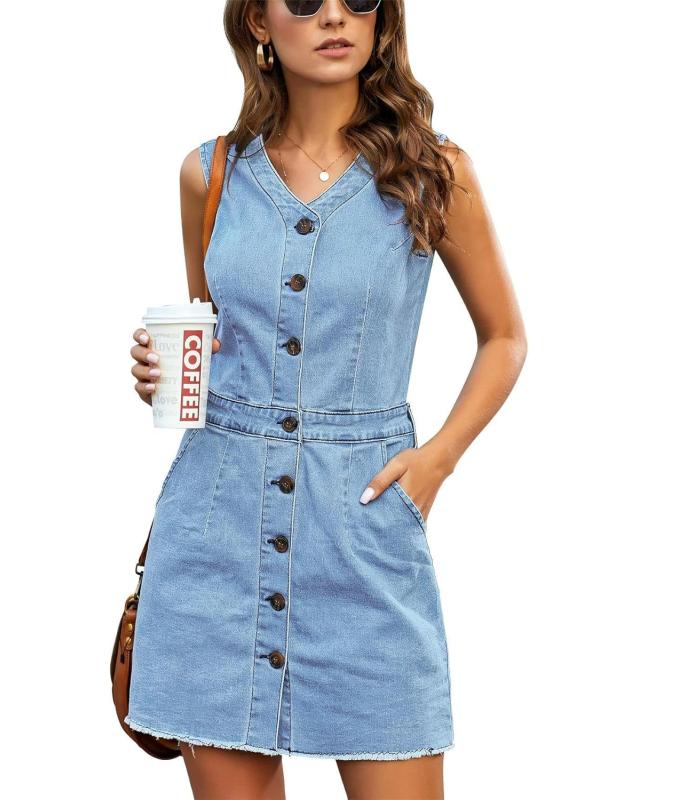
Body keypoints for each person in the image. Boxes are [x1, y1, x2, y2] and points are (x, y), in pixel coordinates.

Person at [128, 1, 527, 797]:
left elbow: (504, 338)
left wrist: (436, 461)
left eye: (359, 0)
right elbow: (217, 337)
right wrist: (162, 373)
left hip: (363, 535)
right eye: (307, 1)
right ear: (259, 23)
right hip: (214, 546)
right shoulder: (209, 176)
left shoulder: (433, 172)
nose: (335, 17)